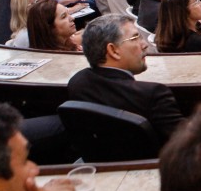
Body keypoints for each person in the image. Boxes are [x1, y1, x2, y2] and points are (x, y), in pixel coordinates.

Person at [69, 14, 185, 144]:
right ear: (113, 50)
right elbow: (188, 145)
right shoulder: (153, 95)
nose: (145, 44)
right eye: (135, 38)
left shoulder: (77, 82)